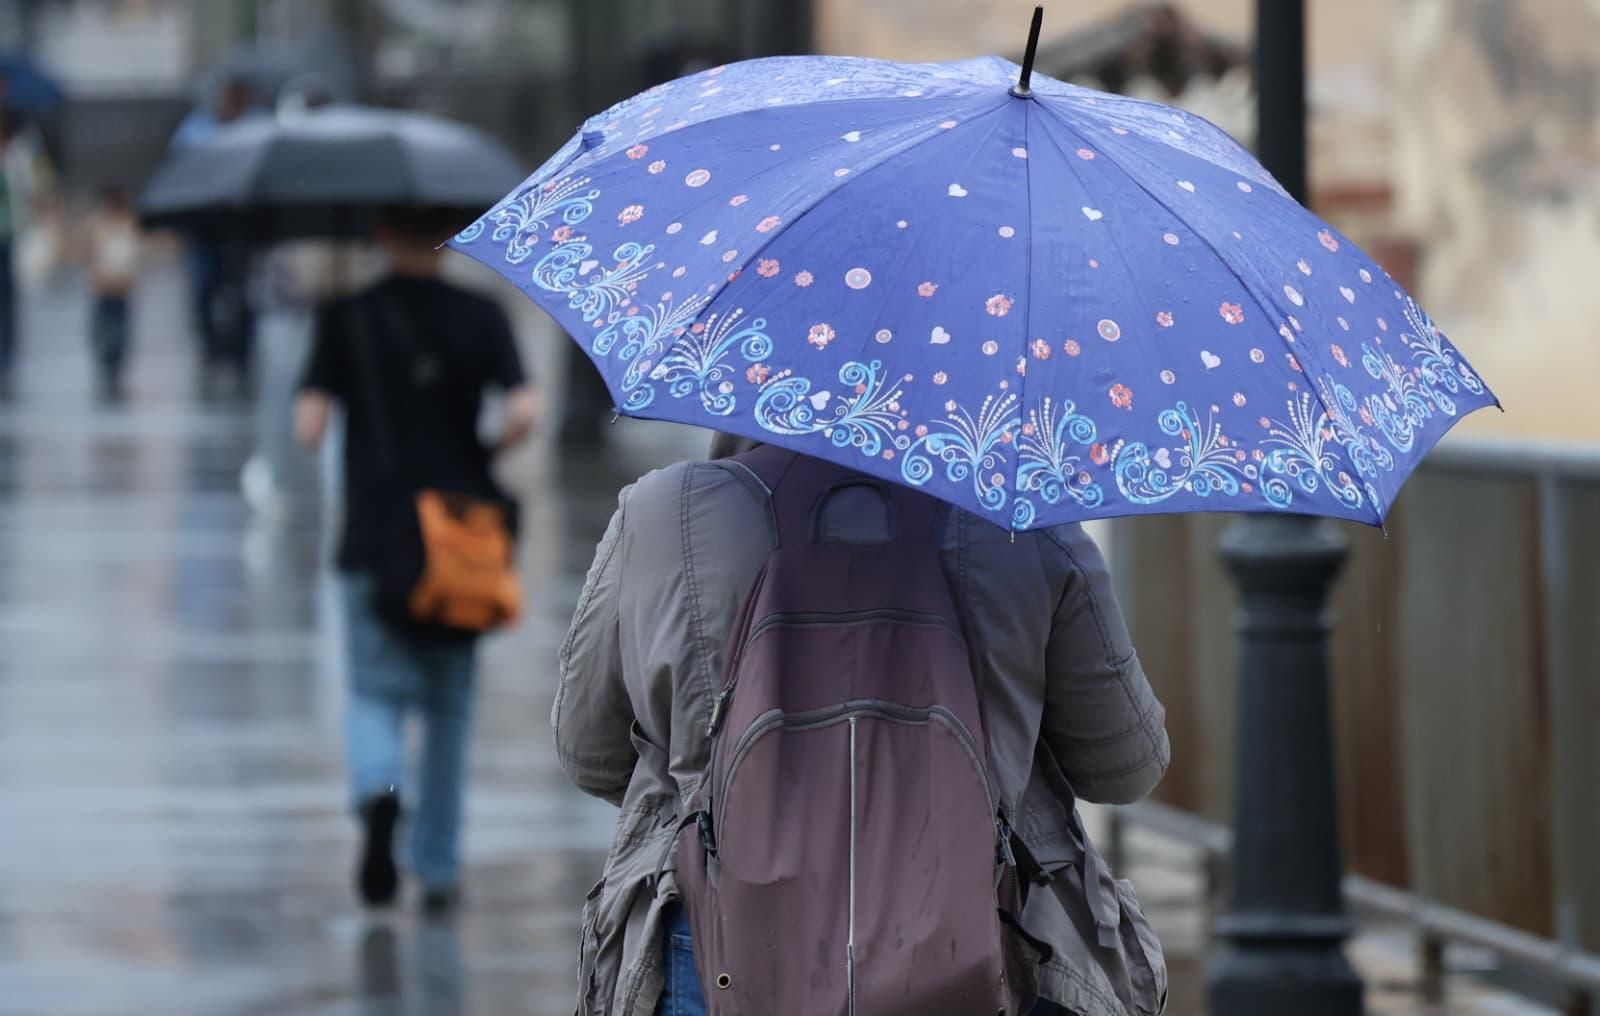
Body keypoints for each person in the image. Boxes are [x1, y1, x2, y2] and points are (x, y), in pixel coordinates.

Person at [557, 435, 1171, 1015]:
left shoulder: (664, 515)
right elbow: (1124, 767)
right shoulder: (1025, 520)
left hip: (713, 941)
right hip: (984, 937)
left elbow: (591, 753)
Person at [293, 207, 540, 913]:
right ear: (446, 233)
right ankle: (436, 866)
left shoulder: (346, 315)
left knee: (373, 691)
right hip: (458, 539)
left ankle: (379, 791)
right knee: (449, 707)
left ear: (380, 232)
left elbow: (309, 427)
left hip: (373, 536)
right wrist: (483, 451)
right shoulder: (482, 315)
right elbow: (525, 410)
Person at [85, 186, 140, 401]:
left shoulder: (129, 222)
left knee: (119, 330)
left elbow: (136, 253)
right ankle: (107, 362)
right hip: (103, 287)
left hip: (121, 288)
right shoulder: (97, 223)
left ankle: (115, 365)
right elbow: (86, 251)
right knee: (103, 329)